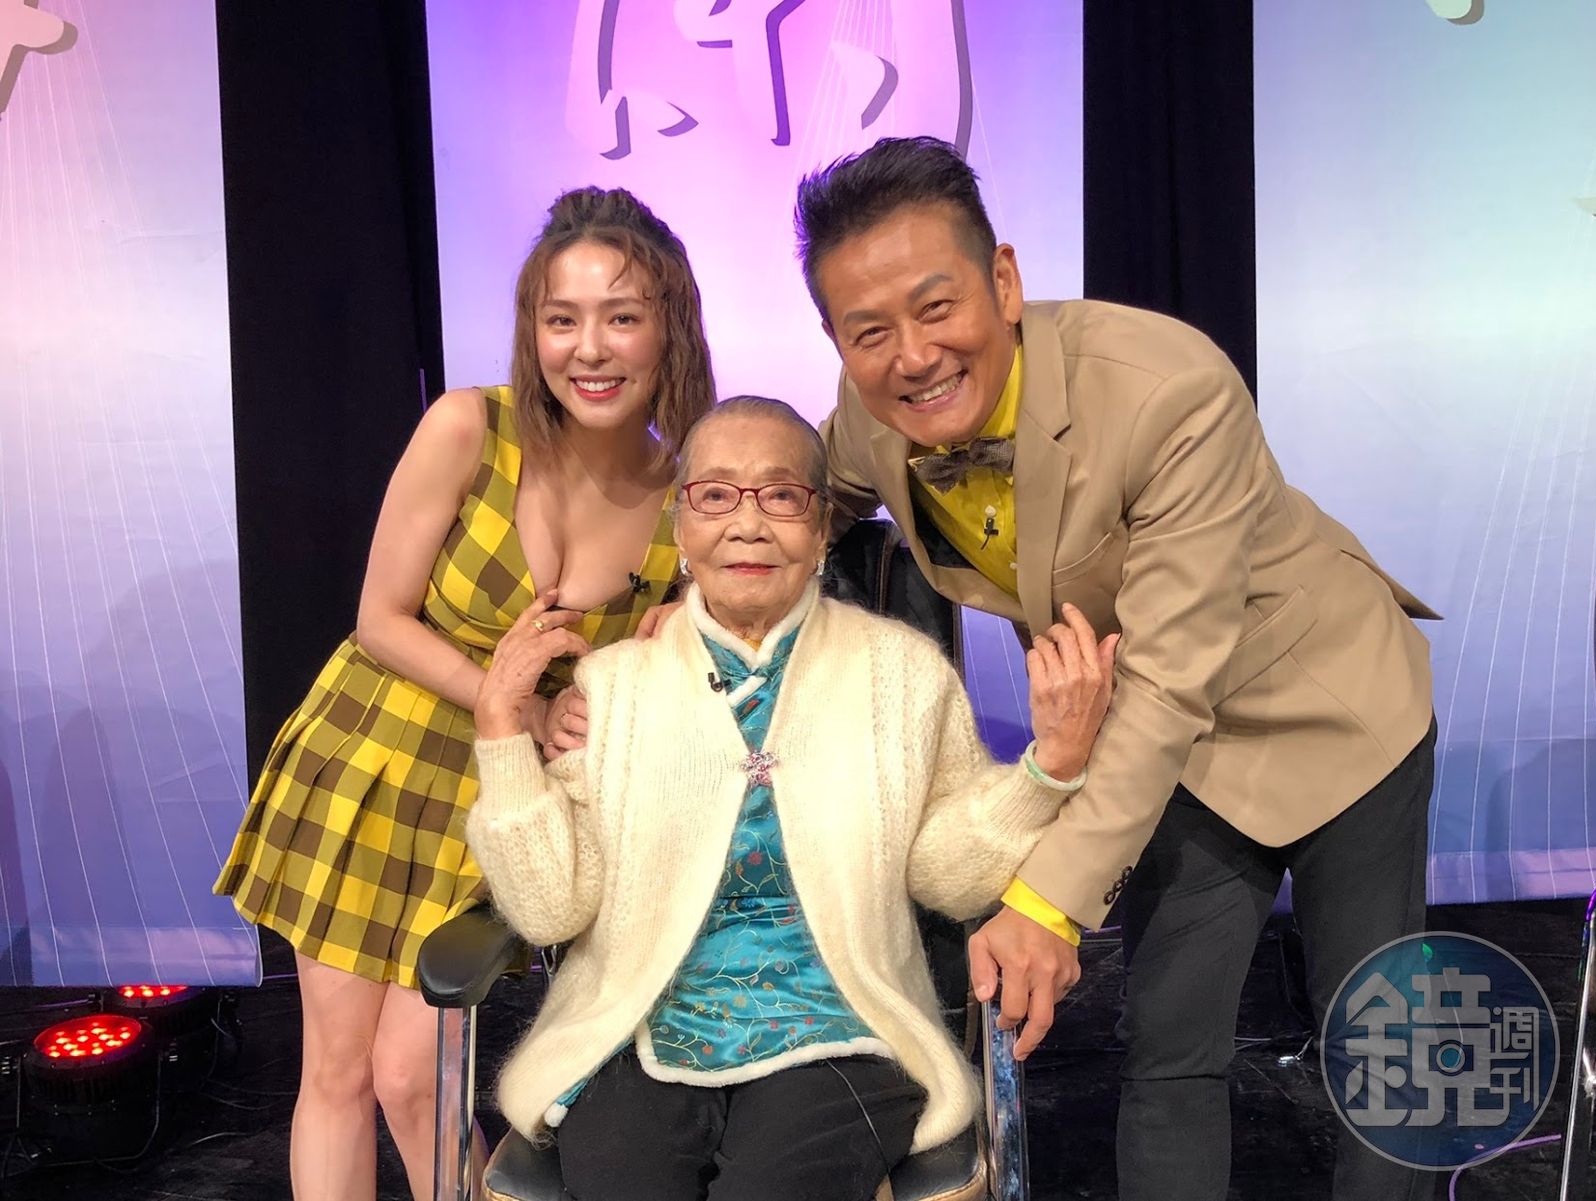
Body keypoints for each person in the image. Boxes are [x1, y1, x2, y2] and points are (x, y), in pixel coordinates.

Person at [793, 136, 1439, 1200]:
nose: (911, 355)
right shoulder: (873, 413)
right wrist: (687, 573)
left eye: (935, 306)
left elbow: (1172, 676)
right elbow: (800, 487)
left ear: (1004, 281)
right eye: (870, 331)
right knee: (1169, 1050)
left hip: (1329, 709)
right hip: (1170, 759)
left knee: (1382, 1051)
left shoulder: (1167, 388)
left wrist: (1049, 904)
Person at [467, 396, 1118, 1201]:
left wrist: (1048, 768)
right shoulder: (614, 688)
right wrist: (501, 734)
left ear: (818, 531)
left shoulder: (901, 674)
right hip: (639, 1023)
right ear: (681, 525)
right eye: (715, 495)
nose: (747, 524)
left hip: (842, 1021)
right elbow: (550, 909)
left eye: (780, 495)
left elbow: (947, 876)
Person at [213, 186, 715, 1201]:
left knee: (418, 1079)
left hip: (494, 805)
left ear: (669, 328)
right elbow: (379, 618)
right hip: (371, 761)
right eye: (562, 318)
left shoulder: (682, 502)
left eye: (621, 317)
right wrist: (518, 702)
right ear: (534, 330)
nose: (590, 348)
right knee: (341, 1072)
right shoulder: (468, 427)